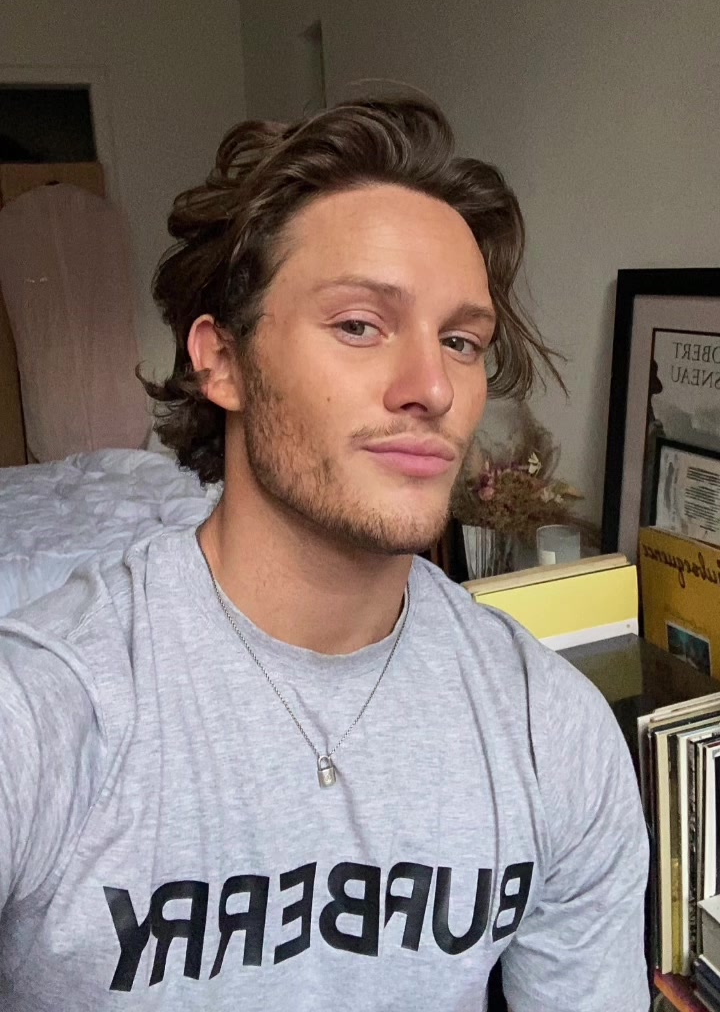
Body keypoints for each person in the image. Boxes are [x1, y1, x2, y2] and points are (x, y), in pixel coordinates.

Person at [0, 97, 649, 1010]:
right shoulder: (44, 711)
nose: (432, 387)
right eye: (359, 325)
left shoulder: (553, 734)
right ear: (221, 361)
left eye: (460, 341)